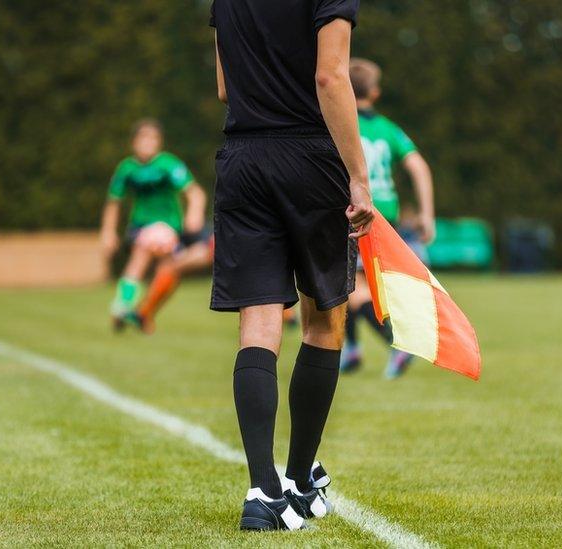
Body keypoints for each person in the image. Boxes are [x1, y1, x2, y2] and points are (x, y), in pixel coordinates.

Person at [209, 0, 373, 532]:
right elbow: (331, 76)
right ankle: (301, 482)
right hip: (310, 155)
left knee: (257, 323)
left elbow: (225, 87)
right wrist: (358, 177)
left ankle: (262, 492)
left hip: (242, 159)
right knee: (325, 319)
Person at [340, 58, 436, 380]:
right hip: (386, 217)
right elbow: (419, 167)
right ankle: (351, 349)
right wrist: (426, 214)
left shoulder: (340, 122)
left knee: (353, 289)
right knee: (350, 284)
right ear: (375, 92)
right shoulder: (388, 129)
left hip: (355, 212)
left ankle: (395, 344)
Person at [100, 119, 207, 331]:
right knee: (143, 252)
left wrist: (194, 213)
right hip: (141, 226)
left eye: (153, 138)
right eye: (144, 138)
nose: (148, 143)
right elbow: (113, 202)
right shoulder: (127, 169)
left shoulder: (168, 164)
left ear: (159, 142)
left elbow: (195, 193)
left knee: (169, 269)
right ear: (134, 142)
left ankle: (138, 310)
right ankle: (127, 307)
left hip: (171, 228)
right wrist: (108, 232)